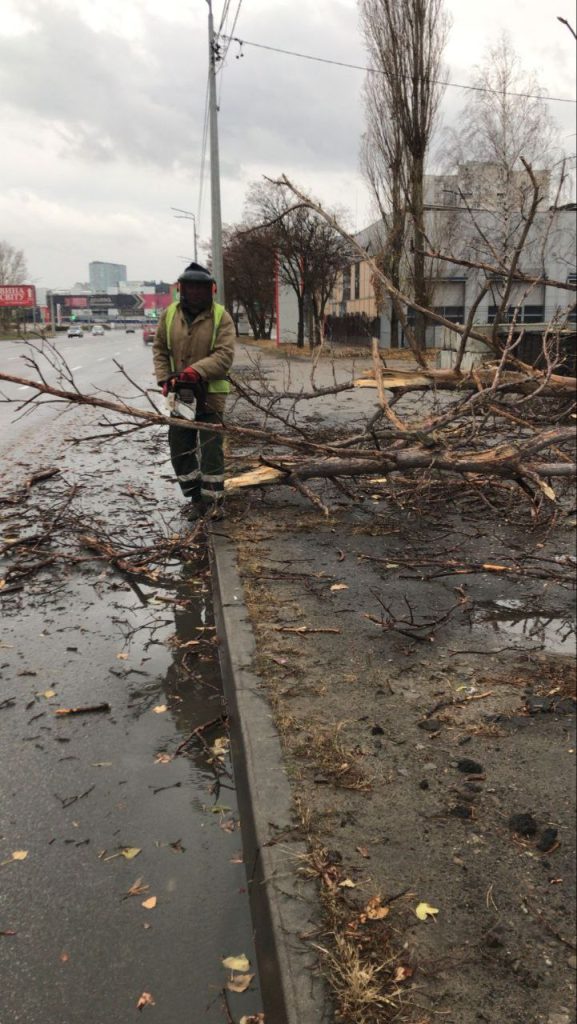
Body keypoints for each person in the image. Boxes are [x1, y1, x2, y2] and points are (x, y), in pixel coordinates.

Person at [153, 263, 235, 518]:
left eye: (201, 288)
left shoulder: (221, 317)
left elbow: (224, 355)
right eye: (191, 288)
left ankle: (214, 503)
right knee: (180, 447)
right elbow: (160, 349)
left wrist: (196, 371)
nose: (196, 293)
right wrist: (165, 378)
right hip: (181, 396)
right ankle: (195, 498)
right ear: (182, 289)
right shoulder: (169, 316)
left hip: (211, 395)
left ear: (210, 290)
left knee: (211, 449)